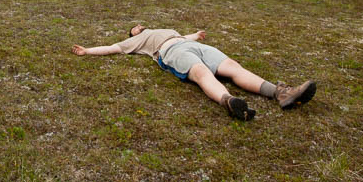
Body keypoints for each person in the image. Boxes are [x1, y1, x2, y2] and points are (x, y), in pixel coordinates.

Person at [71, 24, 316, 121]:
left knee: (232, 66)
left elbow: (182, 36)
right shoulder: (138, 41)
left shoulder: (166, 28)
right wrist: (88, 51)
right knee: (200, 72)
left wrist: (196, 36)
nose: (139, 26)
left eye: (140, 24)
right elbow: (113, 48)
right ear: (133, 34)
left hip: (191, 44)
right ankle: (228, 100)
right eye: (134, 27)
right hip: (170, 53)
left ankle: (281, 93)